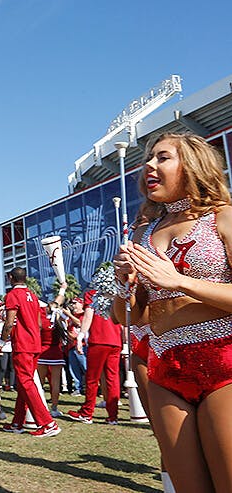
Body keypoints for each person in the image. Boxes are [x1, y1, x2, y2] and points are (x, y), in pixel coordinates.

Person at [113, 132, 232, 492]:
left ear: (193, 165)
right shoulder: (145, 232)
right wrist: (124, 283)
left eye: (162, 158)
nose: (149, 165)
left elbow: (179, 285)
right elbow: (133, 317)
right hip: (165, 370)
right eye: (149, 158)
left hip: (224, 362)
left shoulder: (223, 217)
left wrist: (180, 281)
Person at [1, 267, 61, 437]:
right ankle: (17, 423)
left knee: (26, 382)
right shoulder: (33, 296)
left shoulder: (13, 295)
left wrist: (1, 340)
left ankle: (47, 423)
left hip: (23, 344)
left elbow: (9, 322)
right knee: (23, 383)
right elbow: (40, 324)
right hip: (35, 343)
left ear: (11, 277)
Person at [67, 280, 122, 425]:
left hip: (99, 340)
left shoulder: (92, 294)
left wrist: (80, 336)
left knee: (92, 378)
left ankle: (87, 413)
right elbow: (122, 318)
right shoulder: (117, 295)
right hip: (115, 341)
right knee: (112, 379)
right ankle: (113, 416)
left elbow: (88, 316)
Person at [37, 284, 68, 418]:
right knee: (56, 383)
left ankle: (40, 407)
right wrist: (63, 289)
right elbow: (59, 301)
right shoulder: (59, 321)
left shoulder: (42, 319)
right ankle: (54, 408)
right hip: (56, 353)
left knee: (39, 383)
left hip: (42, 353)